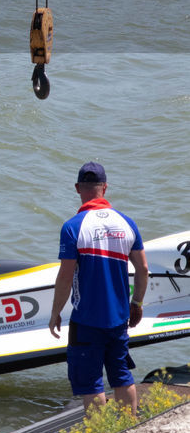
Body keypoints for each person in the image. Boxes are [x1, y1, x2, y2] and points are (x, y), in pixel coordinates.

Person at [49, 161, 148, 415]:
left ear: (77, 188)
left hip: (86, 320)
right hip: (118, 317)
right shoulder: (127, 223)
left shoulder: (73, 227)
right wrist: (136, 303)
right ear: (104, 187)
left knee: (91, 382)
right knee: (121, 374)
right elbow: (143, 269)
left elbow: (65, 276)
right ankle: (128, 425)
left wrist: (55, 312)